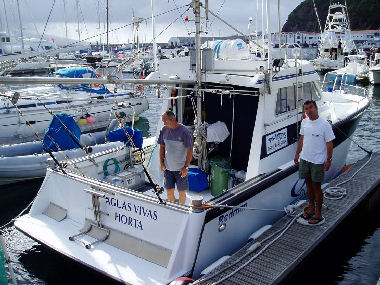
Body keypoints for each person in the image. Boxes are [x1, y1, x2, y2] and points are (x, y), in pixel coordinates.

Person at [294, 100, 335, 225]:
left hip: (318, 161)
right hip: (305, 159)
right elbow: (302, 138)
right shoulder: (305, 122)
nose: (309, 110)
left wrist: (328, 159)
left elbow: (329, 143)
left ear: (316, 108)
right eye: (306, 108)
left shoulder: (324, 125)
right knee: (308, 185)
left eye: (311, 107)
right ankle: (311, 208)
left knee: (317, 187)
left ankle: (318, 214)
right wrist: (297, 155)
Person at [158, 110, 194, 204]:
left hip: (180, 170)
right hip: (168, 169)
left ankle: (181, 208)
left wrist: (186, 167)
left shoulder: (185, 132)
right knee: (169, 192)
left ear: (172, 119)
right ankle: (173, 208)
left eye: (165, 121)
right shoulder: (163, 130)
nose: (164, 123)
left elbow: (190, 149)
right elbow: (162, 147)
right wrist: (161, 163)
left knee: (181, 192)